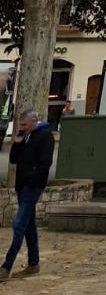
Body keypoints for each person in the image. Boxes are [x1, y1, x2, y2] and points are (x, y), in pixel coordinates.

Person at [1, 108, 54, 279]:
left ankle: (6, 266)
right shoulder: (26, 136)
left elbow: (45, 162)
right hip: (22, 185)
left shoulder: (44, 135)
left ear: (33, 121)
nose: (22, 127)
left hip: (32, 186)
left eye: (24, 124)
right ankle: (33, 263)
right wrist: (17, 142)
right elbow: (14, 160)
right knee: (29, 225)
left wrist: (33, 179)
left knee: (19, 225)